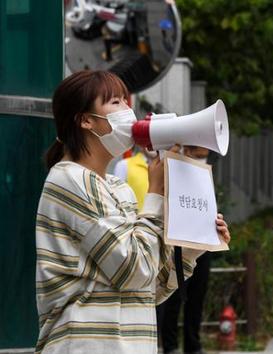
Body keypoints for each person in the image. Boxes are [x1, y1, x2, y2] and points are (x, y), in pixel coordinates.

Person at [35, 70, 230, 354]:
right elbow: (133, 269)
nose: (128, 111)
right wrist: (154, 194)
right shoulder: (68, 179)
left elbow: (148, 289)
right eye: (115, 103)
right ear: (85, 120)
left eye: (127, 102)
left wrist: (191, 249)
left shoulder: (117, 187)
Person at [157, 146, 212, 354]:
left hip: (201, 242)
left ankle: (193, 345)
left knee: (197, 297)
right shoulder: (176, 167)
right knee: (173, 295)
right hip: (177, 242)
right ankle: (170, 346)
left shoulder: (205, 170)